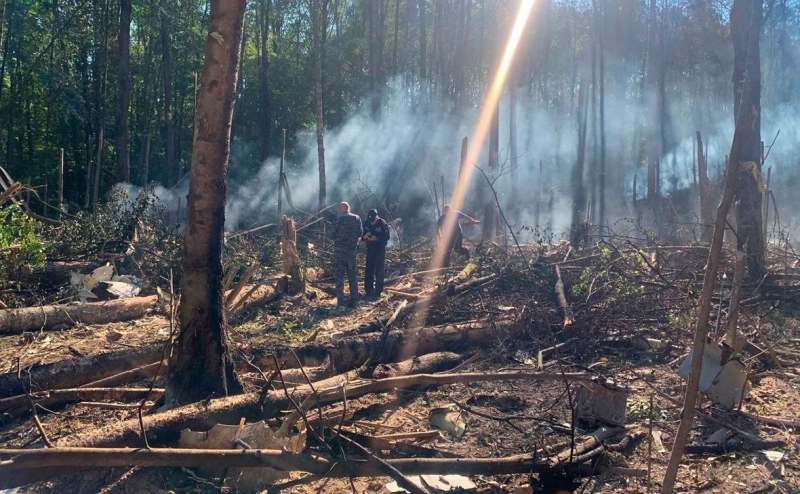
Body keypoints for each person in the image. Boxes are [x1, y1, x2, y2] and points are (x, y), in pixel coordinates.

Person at [333, 202, 362, 307]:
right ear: (349, 208)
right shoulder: (356, 218)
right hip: (351, 251)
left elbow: (332, 234)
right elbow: (360, 233)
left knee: (339, 276)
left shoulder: (338, 219)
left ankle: (341, 300)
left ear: (342, 209)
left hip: (340, 251)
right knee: (352, 275)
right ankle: (354, 299)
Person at [361, 209, 390, 299]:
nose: (371, 222)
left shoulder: (382, 223)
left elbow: (387, 237)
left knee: (379, 271)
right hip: (370, 249)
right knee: (369, 269)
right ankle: (368, 290)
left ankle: (378, 292)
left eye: (373, 219)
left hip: (379, 249)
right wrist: (365, 236)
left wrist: (376, 238)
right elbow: (361, 236)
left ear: (377, 216)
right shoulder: (367, 222)